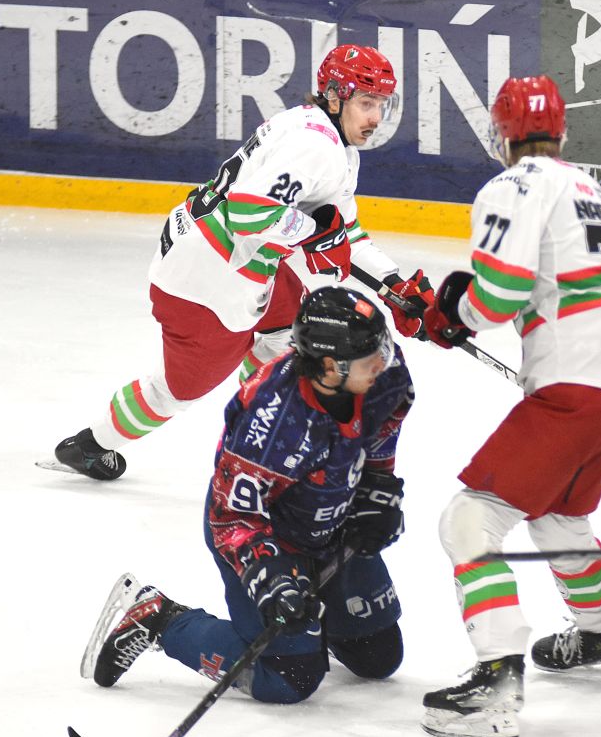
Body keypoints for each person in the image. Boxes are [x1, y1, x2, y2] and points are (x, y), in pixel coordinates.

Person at [50, 44, 434, 480]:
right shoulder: (316, 147)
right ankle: (91, 445)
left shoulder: (325, 138)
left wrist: (394, 284)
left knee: (294, 333)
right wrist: (311, 231)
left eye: (382, 104)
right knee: (176, 392)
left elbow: (343, 232)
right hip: (205, 285)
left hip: (227, 258)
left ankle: (261, 419)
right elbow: (248, 213)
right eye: (366, 103)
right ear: (333, 95)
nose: (376, 117)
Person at [416, 75, 601, 737]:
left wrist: (453, 316)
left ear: (503, 133)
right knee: (558, 515)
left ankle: (495, 679)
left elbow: (499, 294)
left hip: (572, 382)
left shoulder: (512, 185)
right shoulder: (589, 188)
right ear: (561, 129)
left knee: (470, 520)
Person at [80, 287, 412, 704]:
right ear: (331, 366)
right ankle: (160, 619)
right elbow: (232, 518)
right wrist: (272, 579)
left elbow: (385, 420)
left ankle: (312, 628)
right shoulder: (271, 422)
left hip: (331, 515)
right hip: (264, 535)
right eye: (371, 358)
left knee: (378, 656)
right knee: (289, 679)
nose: (385, 362)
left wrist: (377, 490)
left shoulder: (383, 371)